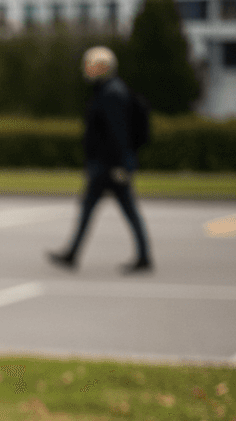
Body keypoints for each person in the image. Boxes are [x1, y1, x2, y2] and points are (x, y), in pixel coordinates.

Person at [48, 46, 152, 273]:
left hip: (109, 165)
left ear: (103, 67)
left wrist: (119, 165)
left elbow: (118, 132)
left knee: (121, 209)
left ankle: (142, 256)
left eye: (91, 64)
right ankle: (74, 253)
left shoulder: (112, 93)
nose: (86, 68)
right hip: (106, 163)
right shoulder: (107, 90)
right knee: (99, 208)